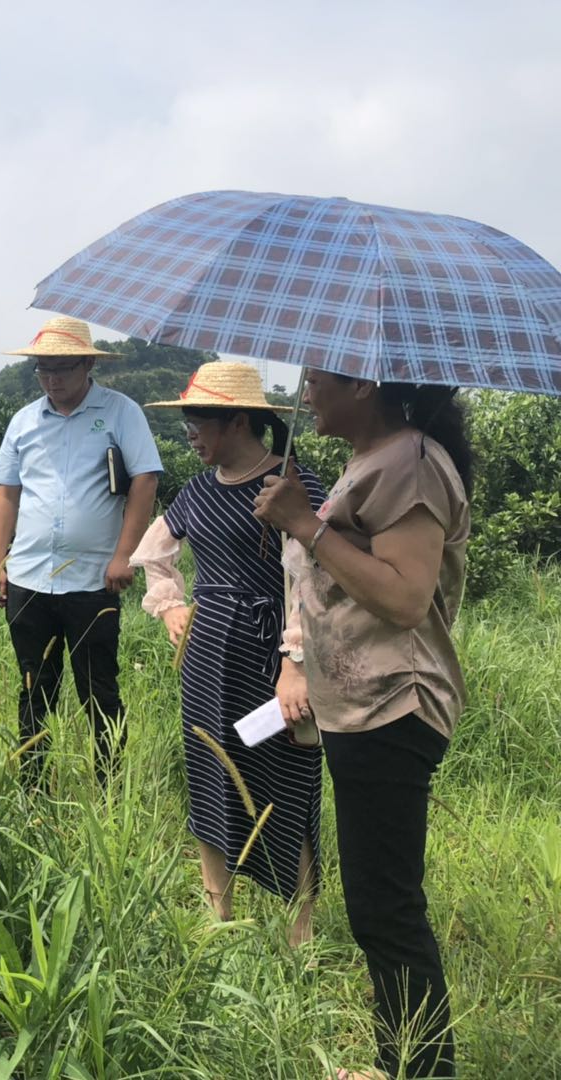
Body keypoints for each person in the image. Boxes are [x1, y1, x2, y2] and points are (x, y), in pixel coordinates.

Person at [254, 371, 471, 1079]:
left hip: (393, 702)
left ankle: (419, 1070)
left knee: (387, 909)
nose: (307, 392)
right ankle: (400, 1063)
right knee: (377, 905)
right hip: (362, 706)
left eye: (318, 379)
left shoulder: (409, 461)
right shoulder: (373, 460)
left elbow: (406, 599)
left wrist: (307, 525)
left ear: (364, 383)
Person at [130, 362, 325, 946]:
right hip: (206, 654)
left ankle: (302, 929)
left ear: (237, 420)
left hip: (272, 658)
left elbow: (309, 582)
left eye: (197, 419)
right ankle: (218, 917)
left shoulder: (292, 487)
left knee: (288, 778)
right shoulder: (195, 491)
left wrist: (295, 665)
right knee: (211, 773)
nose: (189, 431)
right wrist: (169, 606)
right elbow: (156, 553)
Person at [0, 316, 162, 783]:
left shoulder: (121, 412)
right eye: (43, 369)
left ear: (87, 363)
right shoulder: (24, 421)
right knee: (33, 689)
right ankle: (33, 789)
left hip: (92, 579)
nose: (52, 379)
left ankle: (110, 791)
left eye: (62, 368)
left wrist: (124, 556)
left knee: (98, 689)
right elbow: (6, 493)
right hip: (28, 577)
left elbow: (145, 480)